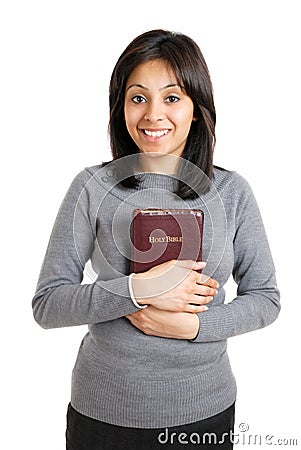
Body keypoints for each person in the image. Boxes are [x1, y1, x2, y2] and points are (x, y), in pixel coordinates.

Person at [32, 29, 280, 449]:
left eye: (171, 97)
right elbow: (48, 304)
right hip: (102, 411)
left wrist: (194, 326)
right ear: (121, 107)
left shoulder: (232, 192)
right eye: (138, 97)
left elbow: (266, 298)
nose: (153, 115)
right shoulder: (93, 187)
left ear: (197, 109)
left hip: (204, 410)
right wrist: (138, 289)